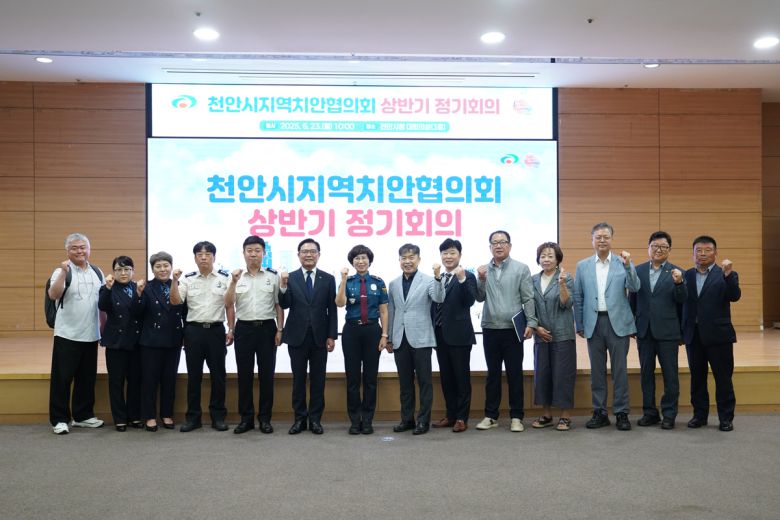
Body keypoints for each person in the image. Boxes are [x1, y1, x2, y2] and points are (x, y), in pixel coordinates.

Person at [573, 222, 640, 431]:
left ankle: (621, 412)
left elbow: (635, 287)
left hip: (617, 323)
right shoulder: (583, 265)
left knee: (620, 370)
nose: (602, 240)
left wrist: (629, 266)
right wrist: (580, 324)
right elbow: (578, 296)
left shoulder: (623, 262)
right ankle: (599, 412)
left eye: (606, 237)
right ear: (592, 240)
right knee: (597, 371)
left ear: (612, 239)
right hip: (593, 323)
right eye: (598, 237)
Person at [475, 230, 538, 433]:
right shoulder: (484, 270)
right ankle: (490, 416)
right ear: (490, 247)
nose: (499, 245)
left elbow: (528, 298)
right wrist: (481, 279)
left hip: (513, 330)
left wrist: (531, 322)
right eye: (494, 242)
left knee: (514, 374)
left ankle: (516, 417)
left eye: (503, 242)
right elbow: (479, 297)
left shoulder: (521, 268)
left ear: (509, 246)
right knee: (492, 374)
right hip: (490, 328)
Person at [170, 241, 234, 432]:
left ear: (214, 257)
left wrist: (231, 329)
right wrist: (174, 281)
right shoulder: (187, 279)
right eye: (200, 254)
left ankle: (218, 417)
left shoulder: (225, 278)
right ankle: (193, 418)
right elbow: (175, 301)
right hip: (194, 332)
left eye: (207, 254)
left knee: (218, 376)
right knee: (194, 376)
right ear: (195, 258)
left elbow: (229, 305)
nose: (204, 257)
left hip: (216, 331)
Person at [224, 236, 284, 435]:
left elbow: (278, 305)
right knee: (244, 376)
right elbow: (228, 303)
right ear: (243, 253)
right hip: (244, 329)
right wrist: (233, 283)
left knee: (267, 376)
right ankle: (246, 419)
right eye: (249, 250)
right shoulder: (235, 276)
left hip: (267, 328)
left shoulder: (273, 276)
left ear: (263, 253)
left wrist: (280, 329)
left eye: (257, 250)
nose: (253, 254)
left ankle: (265, 419)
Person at [47, 233, 105, 435]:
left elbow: (102, 303)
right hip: (67, 334)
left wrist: (103, 329)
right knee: (62, 379)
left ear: (89, 249)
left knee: (86, 378)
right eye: (75, 248)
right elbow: (53, 294)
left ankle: (83, 416)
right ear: (67, 251)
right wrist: (64, 272)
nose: (80, 251)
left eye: (83, 247)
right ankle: (59, 419)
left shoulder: (97, 272)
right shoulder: (61, 271)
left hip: (91, 334)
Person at [279, 238, 338, 435]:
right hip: (297, 336)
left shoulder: (328, 279)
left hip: (320, 337)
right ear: (298, 255)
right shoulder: (290, 277)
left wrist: (331, 335)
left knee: (318, 380)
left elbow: (332, 310)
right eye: (304, 252)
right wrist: (283, 286)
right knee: (298, 380)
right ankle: (299, 420)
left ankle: (315, 420)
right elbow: (285, 304)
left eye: (313, 251)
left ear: (318, 255)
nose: (309, 255)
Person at [682, 235, 741, 432]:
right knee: (697, 378)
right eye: (698, 250)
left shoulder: (726, 274)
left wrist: (728, 276)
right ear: (693, 254)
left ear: (715, 253)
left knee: (723, 378)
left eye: (707, 250)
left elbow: (734, 296)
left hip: (719, 336)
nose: (703, 254)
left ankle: (726, 418)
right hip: (694, 336)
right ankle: (699, 416)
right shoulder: (686, 275)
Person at [630, 231, 687, 430]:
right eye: (655, 246)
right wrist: (632, 325)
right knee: (646, 374)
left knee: (670, 375)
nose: (658, 250)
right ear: (648, 248)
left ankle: (669, 414)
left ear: (669, 250)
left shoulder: (677, 272)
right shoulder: (638, 271)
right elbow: (632, 300)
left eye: (663, 247)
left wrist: (679, 283)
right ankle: (650, 413)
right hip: (644, 331)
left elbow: (683, 301)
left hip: (668, 332)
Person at [387, 243, 445, 436]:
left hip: (421, 338)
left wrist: (438, 277)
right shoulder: (393, 283)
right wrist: (389, 337)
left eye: (411, 257)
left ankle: (423, 421)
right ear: (399, 260)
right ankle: (407, 419)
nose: (407, 261)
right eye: (404, 258)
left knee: (425, 382)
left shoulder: (429, 280)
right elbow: (392, 311)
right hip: (400, 338)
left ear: (419, 259)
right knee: (405, 383)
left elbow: (439, 298)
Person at [335, 244, 390, 435]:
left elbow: (384, 310)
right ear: (352, 262)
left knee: (370, 378)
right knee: (352, 378)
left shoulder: (378, 282)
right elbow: (340, 303)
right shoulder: (348, 281)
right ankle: (354, 420)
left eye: (364, 258)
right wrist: (343, 280)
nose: (360, 261)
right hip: (351, 331)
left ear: (369, 261)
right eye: (357, 258)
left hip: (373, 330)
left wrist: (384, 335)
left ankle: (367, 420)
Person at [429, 238, 476, 433]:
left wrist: (462, 279)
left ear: (460, 255)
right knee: (446, 378)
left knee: (461, 378)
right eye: (445, 253)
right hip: (439, 335)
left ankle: (461, 418)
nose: (448, 257)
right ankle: (450, 415)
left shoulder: (467, 276)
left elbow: (469, 301)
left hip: (459, 336)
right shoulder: (437, 277)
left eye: (452, 253)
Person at [530, 242, 577, 432]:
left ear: (558, 259)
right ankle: (547, 414)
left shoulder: (566, 277)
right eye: (543, 256)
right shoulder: (533, 279)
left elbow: (567, 303)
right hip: (540, 335)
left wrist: (562, 284)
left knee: (563, 375)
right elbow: (528, 306)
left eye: (550, 256)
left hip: (562, 334)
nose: (546, 259)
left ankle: (565, 415)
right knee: (542, 375)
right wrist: (536, 328)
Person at [137, 251, 185, 432]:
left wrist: (186, 336)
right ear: (152, 269)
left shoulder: (180, 285)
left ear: (171, 267)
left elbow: (185, 312)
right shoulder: (146, 287)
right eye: (158, 266)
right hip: (151, 340)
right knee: (149, 380)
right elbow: (138, 313)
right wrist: (138, 294)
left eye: (166, 265)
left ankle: (167, 414)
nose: (163, 269)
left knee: (169, 379)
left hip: (173, 339)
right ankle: (149, 416)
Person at [97, 256, 143, 432]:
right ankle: (120, 418)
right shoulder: (107, 288)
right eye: (119, 270)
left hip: (136, 343)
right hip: (115, 343)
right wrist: (108, 287)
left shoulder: (138, 288)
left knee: (135, 381)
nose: (123, 273)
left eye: (127, 269)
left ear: (132, 271)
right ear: (113, 272)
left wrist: (140, 294)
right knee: (116, 382)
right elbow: (102, 306)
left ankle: (134, 416)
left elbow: (141, 311)